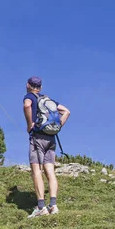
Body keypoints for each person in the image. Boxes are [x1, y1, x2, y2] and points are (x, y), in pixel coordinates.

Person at [23, 76, 70, 218]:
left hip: (38, 137)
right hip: (51, 138)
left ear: (28, 85)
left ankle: (41, 207)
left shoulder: (29, 96)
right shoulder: (48, 100)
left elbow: (26, 105)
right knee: (50, 170)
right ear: (41, 87)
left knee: (37, 170)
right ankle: (53, 205)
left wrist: (30, 123)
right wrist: (57, 127)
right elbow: (67, 111)